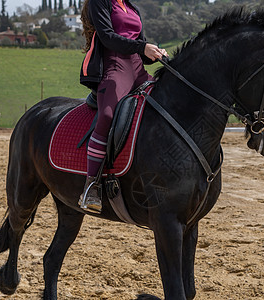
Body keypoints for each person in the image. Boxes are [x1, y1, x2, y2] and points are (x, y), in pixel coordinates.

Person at [79, 0, 167, 213]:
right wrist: (141, 47)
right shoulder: (100, 3)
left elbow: (140, 47)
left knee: (164, 107)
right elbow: (108, 38)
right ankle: (91, 186)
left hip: (138, 69)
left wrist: (155, 53)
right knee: (107, 116)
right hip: (115, 66)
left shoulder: (131, 7)